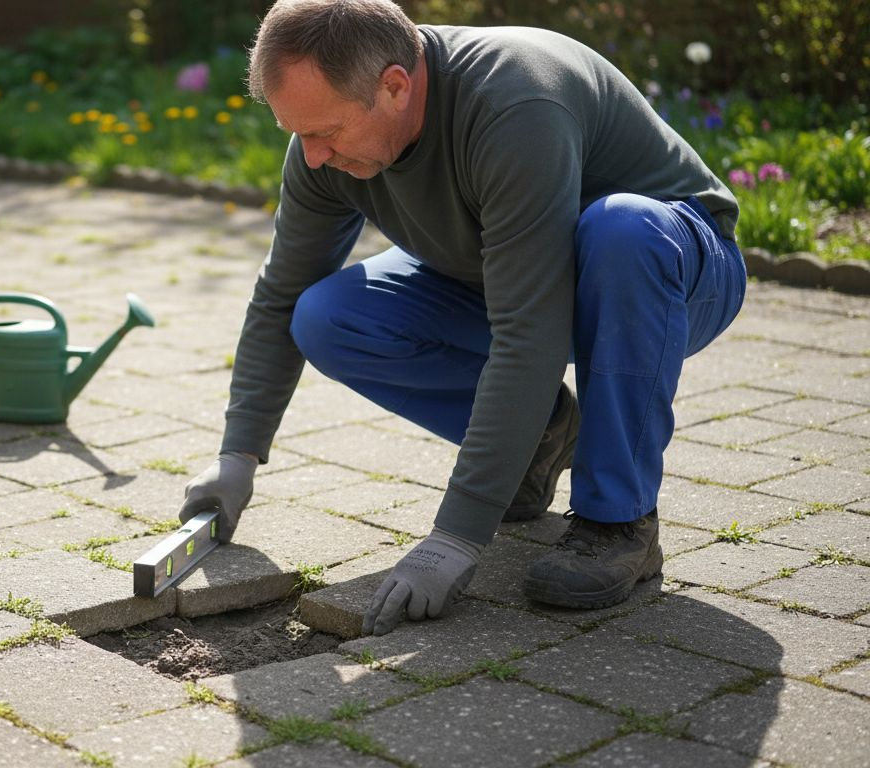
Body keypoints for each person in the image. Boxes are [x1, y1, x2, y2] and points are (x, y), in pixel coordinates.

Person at [178, 0, 746, 636]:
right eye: (298, 133)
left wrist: (457, 535)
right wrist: (239, 454)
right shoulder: (324, 148)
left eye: (325, 132)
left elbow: (528, 332)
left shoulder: (515, 102)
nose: (312, 156)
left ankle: (618, 522)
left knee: (620, 230)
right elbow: (283, 291)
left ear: (394, 85)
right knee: (325, 315)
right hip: (503, 273)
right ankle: (537, 442)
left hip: (669, 270)